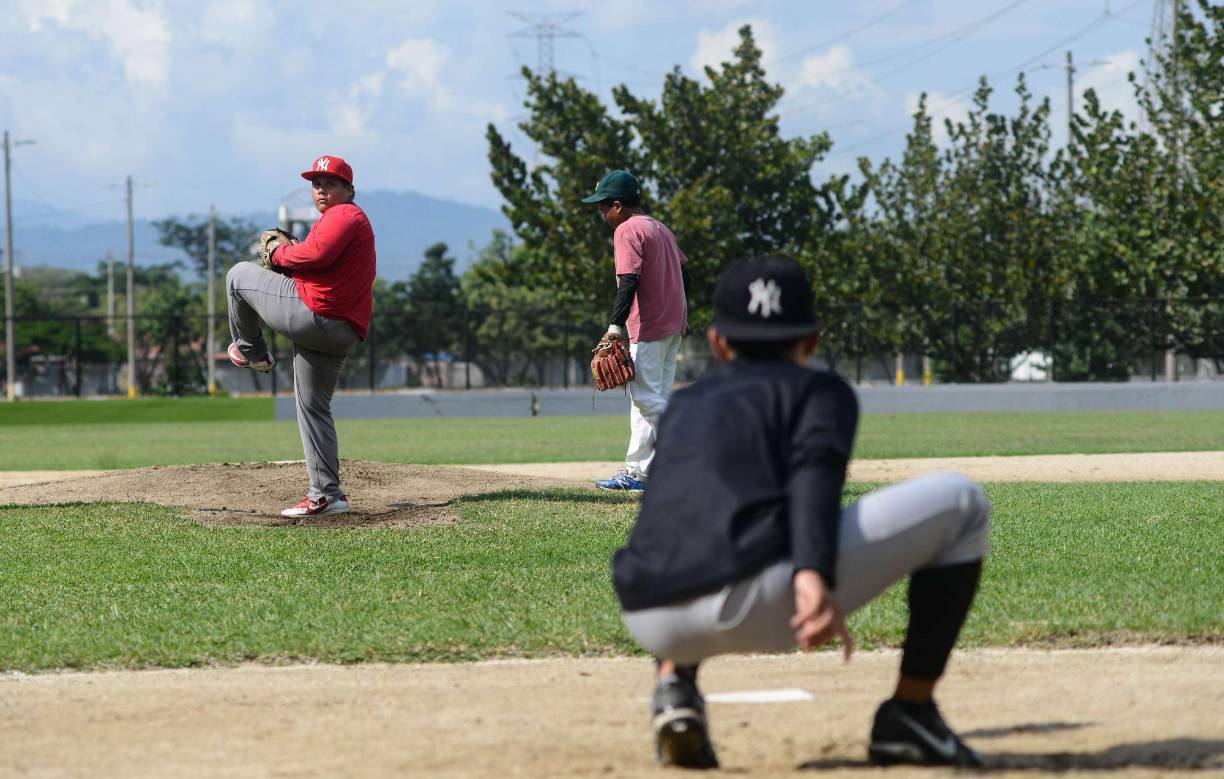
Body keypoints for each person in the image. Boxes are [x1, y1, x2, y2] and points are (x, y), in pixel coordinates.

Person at [611, 256, 992, 769]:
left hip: (649, 610)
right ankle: (911, 712)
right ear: (813, 339)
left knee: (700, 518)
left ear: (719, 342)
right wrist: (813, 575)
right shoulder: (821, 390)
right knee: (963, 502)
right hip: (768, 601)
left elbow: (669, 508)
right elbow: (815, 476)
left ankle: (673, 685)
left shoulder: (687, 403)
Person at [226, 154, 376, 517]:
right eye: (317, 184)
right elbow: (320, 263)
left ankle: (251, 351)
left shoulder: (345, 214)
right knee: (312, 407)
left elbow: (316, 254)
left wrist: (279, 253)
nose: (322, 190)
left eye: (331, 183)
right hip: (339, 330)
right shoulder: (344, 220)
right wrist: (294, 258)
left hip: (316, 316)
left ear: (349, 189)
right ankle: (327, 494)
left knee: (238, 276)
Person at [581, 170, 691, 493]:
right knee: (647, 399)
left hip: (650, 325)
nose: (602, 213)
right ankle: (639, 473)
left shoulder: (627, 230)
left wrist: (615, 326)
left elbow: (628, 280)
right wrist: (680, 311)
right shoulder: (661, 228)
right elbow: (687, 275)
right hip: (673, 324)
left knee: (645, 397)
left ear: (618, 205)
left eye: (603, 206)